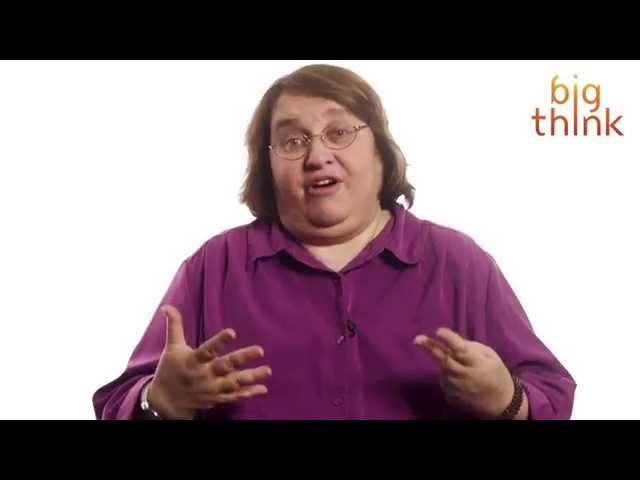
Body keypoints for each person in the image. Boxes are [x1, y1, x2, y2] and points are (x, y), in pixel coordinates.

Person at [93, 64, 576, 420]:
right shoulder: (213, 266)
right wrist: (159, 402)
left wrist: (507, 400)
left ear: (381, 151)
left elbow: (552, 392)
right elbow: (116, 403)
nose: (317, 155)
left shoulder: (458, 262)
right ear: (268, 166)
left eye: (339, 131)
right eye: (293, 140)